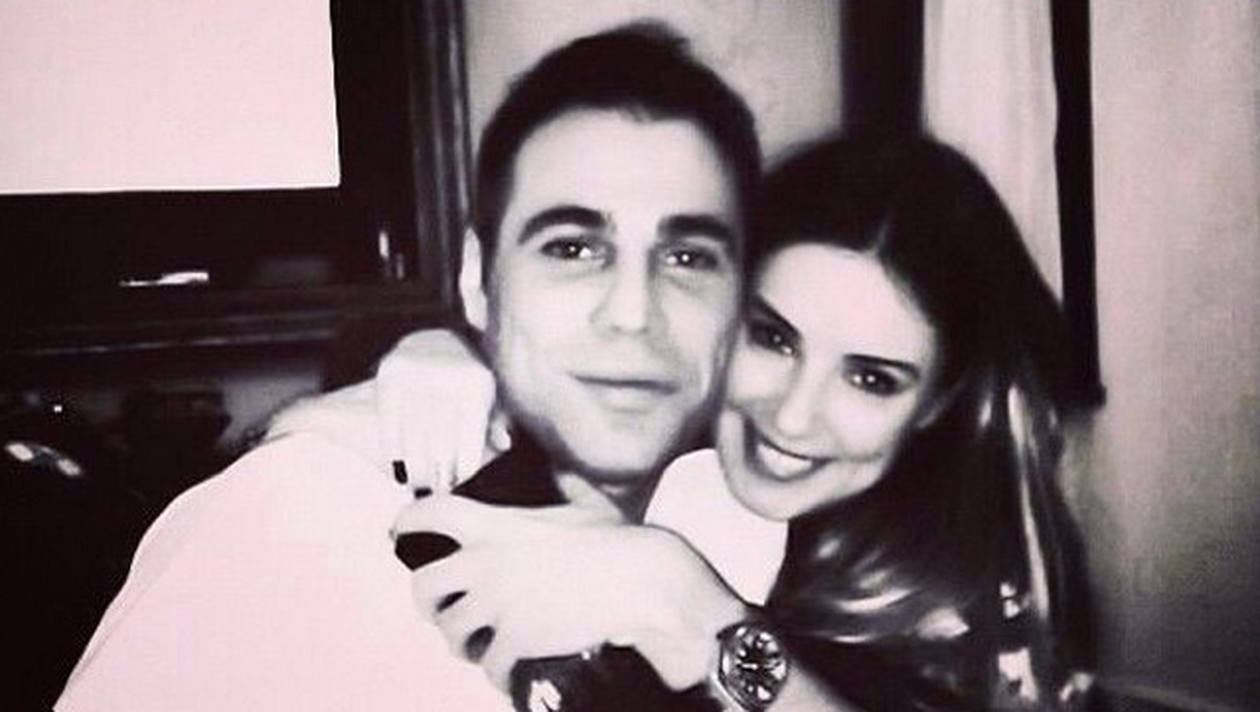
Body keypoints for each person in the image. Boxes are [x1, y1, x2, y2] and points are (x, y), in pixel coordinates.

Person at [55, 24, 767, 712]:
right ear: (477, 278)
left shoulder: (760, 530)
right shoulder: (298, 514)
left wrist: (702, 620)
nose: (634, 313)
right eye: (571, 249)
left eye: (689, 257)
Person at [389, 136, 1094, 711]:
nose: (792, 415)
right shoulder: (650, 435)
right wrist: (451, 349)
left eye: (871, 379)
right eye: (772, 338)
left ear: (939, 401)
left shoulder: (978, 598)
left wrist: (697, 618)